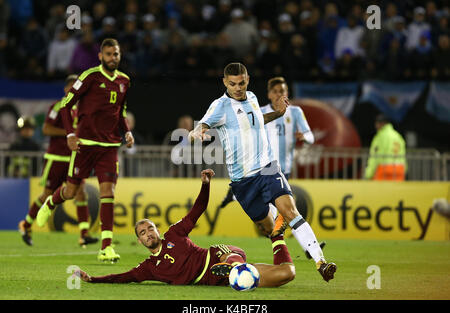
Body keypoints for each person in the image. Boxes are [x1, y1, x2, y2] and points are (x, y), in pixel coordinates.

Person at [188, 62, 336, 282]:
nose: (237, 88)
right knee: (270, 229)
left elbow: (257, 120)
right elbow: (203, 124)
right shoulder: (220, 106)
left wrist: (277, 114)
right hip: (242, 181)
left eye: (241, 83)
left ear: (247, 79)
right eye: (232, 84)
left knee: (290, 211)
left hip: (268, 168)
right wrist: (196, 133)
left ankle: (321, 262)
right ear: (224, 82)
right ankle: (277, 247)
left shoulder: (253, 98)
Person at [74, 169, 296, 288]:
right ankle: (277, 236)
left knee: (231, 262)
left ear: (157, 230)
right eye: (142, 233)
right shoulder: (149, 268)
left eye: (150, 228)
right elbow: (123, 277)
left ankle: (233, 268)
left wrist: (205, 185)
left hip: (216, 256)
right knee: (287, 273)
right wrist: (93, 279)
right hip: (213, 280)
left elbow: (197, 210)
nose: (148, 233)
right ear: (140, 242)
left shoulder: (174, 233)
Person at [36, 38, 135, 263]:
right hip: (85, 145)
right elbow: (66, 105)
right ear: (101, 56)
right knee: (70, 192)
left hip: (109, 147)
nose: (113, 58)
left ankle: (106, 247)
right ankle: (50, 203)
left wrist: (126, 132)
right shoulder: (90, 76)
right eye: (109, 54)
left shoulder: (124, 81)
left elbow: (120, 111)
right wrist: (70, 134)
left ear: (120, 56)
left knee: (108, 193)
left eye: (116, 54)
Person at [18, 75, 98, 247]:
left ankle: (84, 234)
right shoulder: (58, 106)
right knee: (47, 194)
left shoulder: (83, 108)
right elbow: (46, 128)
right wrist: (70, 133)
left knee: (81, 192)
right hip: (56, 158)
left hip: (75, 158)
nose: (73, 89)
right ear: (65, 89)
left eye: (76, 86)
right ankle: (26, 225)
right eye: (71, 86)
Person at [364, 114, 407, 180]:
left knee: (380, 190)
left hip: (384, 170)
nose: (376, 126)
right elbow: (403, 154)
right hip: (399, 169)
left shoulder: (380, 137)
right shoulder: (398, 136)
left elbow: (375, 156)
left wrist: (369, 174)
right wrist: (404, 170)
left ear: (381, 124)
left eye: (377, 123)